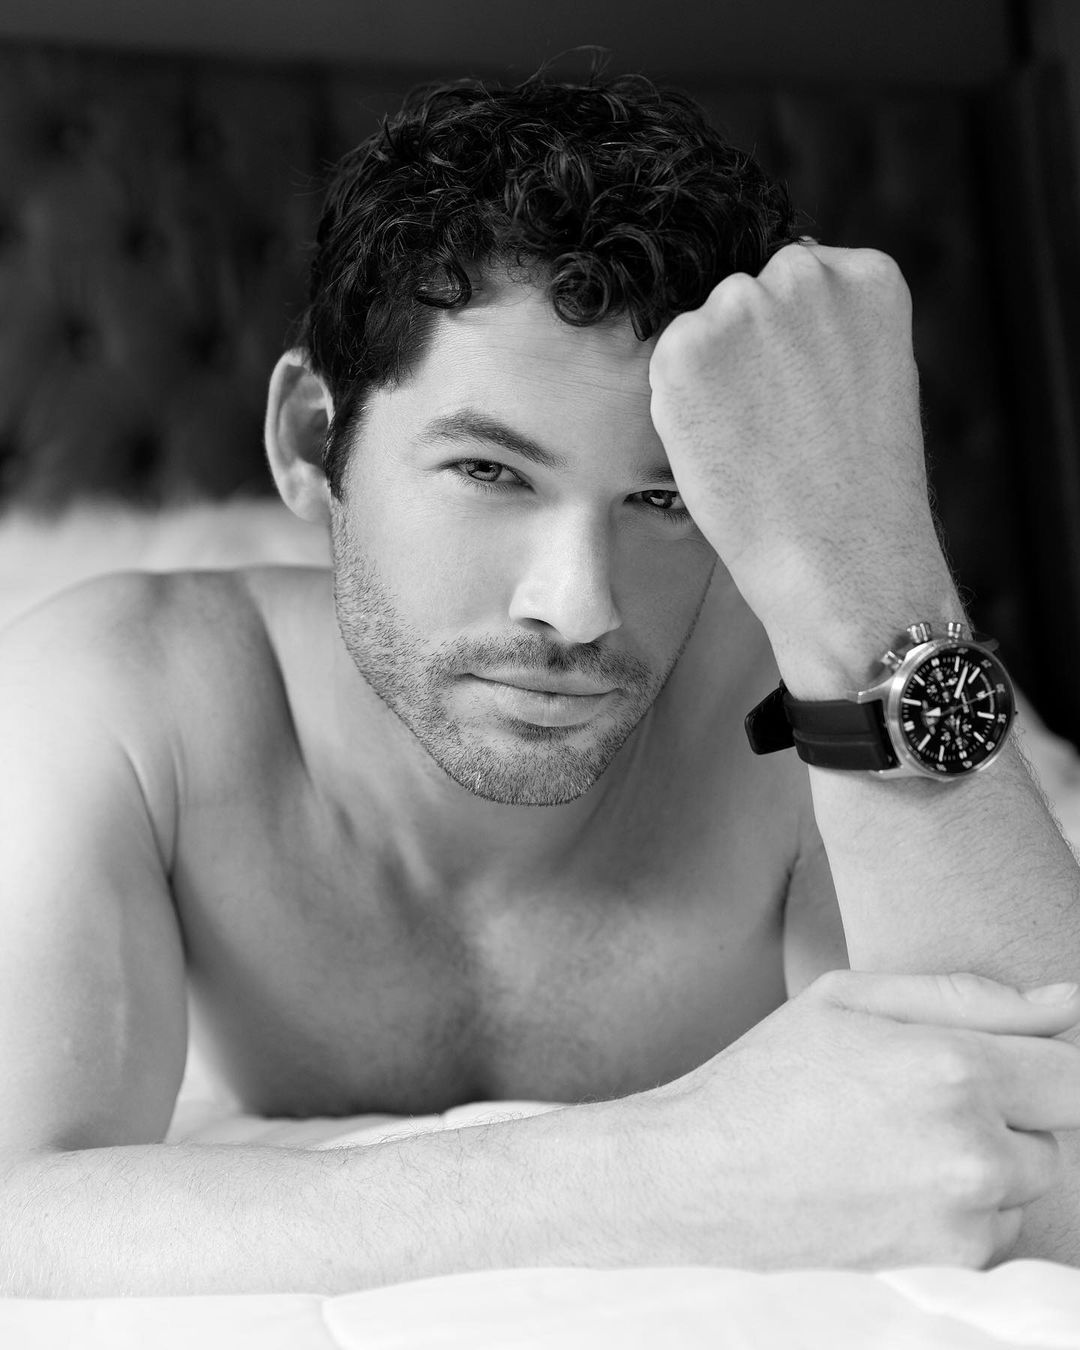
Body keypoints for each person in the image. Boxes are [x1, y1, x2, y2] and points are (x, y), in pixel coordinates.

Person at [2, 70, 1079, 1298]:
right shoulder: (127, 695)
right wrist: (668, 1167)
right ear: (311, 440)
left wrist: (872, 562)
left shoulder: (820, 705)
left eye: (662, 500)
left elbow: (1064, 1170)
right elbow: (17, 1209)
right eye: (490, 472)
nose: (579, 607)